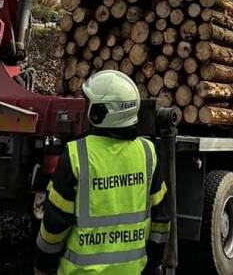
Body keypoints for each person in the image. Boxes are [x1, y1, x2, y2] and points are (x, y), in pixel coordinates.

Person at [35, 70, 170, 274]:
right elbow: (161, 221)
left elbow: (54, 226)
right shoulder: (147, 153)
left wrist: (43, 266)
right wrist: (153, 264)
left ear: (99, 113)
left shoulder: (76, 155)